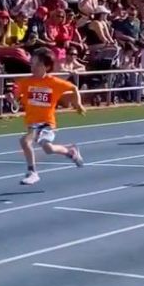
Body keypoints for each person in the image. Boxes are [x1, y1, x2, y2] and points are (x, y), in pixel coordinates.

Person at [14, 48, 86, 185]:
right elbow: (16, 100)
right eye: (32, 64)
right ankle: (69, 153)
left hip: (46, 123)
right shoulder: (25, 82)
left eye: (37, 64)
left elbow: (73, 88)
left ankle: (34, 171)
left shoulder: (54, 82)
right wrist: (11, 99)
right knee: (39, 146)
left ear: (46, 66)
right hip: (32, 123)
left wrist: (78, 103)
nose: (33, 67)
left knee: (38, 145)